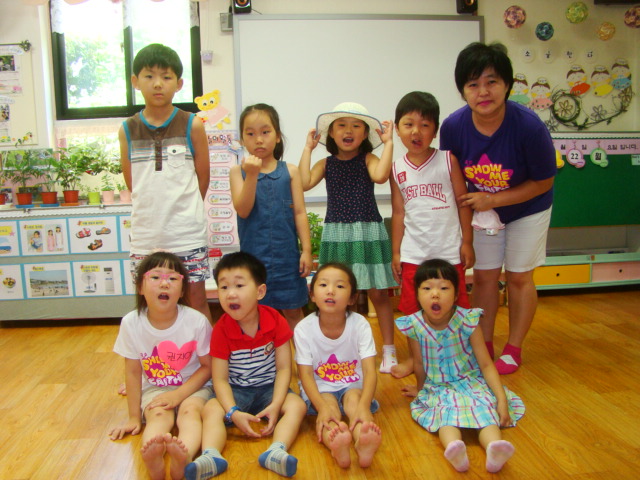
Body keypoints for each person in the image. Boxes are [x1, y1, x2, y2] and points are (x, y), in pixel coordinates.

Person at [440, 42, 556, 374]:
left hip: (528, 208)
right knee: (485, 278)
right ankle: (484, 344)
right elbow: (454, 177)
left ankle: (514, 348)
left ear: (507, 84)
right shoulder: (453, 127)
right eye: (473, 84)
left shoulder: (529, 126)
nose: (483, 92)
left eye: (491, 82)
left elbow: (544, 181)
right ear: (463, 90)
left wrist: (493, 199)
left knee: (519, 277)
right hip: (483, 213)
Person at [396, 259, 525, 473]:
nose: (435, 294)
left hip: (471, 382)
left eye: (444, 288)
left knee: (486, 409)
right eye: (427, 288)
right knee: (444, 416)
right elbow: (418, 363)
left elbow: (486, 364)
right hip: (438, 387)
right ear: (417, 295)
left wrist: (501, 399)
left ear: (456, 294)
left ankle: (494, 448)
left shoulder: (467, 320)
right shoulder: (414, 325)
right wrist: (421, 389)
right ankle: (455, 449)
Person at [186, 251, 306, 479]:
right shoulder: (220, 330)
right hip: (236, 391)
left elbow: (284, 369)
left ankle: (277, 451)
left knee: (297, 406)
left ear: (260, 291)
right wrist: (232, 412)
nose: (231, 294)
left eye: (239, 285)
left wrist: (276, 403)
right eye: (223, 287)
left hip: (269, 388)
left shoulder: (276, 321)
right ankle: (211, 455)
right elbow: (220, 379)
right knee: (211, 409)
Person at [299, 102, 399, 374]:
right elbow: (304, 182)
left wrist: (389, 143)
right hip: (338, 235)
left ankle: (389, 350)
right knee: (339, 295)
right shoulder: (326, 163)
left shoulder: (368, 159)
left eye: (356, 126)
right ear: (331, 133)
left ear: (365, 134)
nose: (348, 131)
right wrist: (308, 148)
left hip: (368, 232)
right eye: (341, 125)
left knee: (379, 293)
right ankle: (344, 351)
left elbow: (381, 176)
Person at [119, 43, 212, 324]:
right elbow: (133, 182)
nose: (158, 83)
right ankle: (159, 352)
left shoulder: (192, 124)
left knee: (196, 300)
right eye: (149, 76)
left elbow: (202, 178)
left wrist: (185, 212)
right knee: (152, 303)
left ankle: (204, 353)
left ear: (179, 83)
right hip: (146, 235)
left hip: (186, 233)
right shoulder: (127, 129)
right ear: (135, 81)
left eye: (166, 76)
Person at [389, 91, 475, 378]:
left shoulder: (448, 160)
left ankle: (459, 361)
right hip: (414, 254)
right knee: (413, 312)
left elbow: (463, 203)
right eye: (408, 124)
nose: (416, 132)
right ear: (397, 129)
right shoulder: (396, 168)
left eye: (425, 125)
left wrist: (467, 242)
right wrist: (397, 252)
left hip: (449, 252)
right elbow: (398, 212)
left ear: (435, 131)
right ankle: (417, 362)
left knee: (456, 309)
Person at [108, 251, 213, 480]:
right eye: (155, 277)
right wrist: (134, 417)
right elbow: (133, 372)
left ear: (182, 290)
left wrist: (178, 395)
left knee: (190, 413)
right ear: (140, 287)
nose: (164, 283)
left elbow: (208, 367)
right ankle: (153, 459)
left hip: (193, 386)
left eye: (173, 278)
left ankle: (183, 457)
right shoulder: (131, 323)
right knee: (157, 415)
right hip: (156, 388)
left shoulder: (197, 321)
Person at [230, 103, 312, 329]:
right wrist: (252, 175)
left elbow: (299, 212)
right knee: (255, 315)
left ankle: (301, 353)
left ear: (277, 136)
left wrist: (306, 250)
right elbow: (243, 209)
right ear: (242, 139)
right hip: (253, 260)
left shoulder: (291, 171)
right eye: (250, 133)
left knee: (293, 312)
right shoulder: (237, 172)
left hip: (288, 259)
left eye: (265, 132)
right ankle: (264, 353)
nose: (258, 139)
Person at [294, 263, 382, 469]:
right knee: (329, 411)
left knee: (354, 403)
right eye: (323, 285)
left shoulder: (360, 324)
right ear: (312, 294)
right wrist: (322, 408)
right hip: (320, 388)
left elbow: (370, 371)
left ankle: (363, 441)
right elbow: (305, 375)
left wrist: (364, 407)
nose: (331, 290)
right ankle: (337, 445)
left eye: (340, 286)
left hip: (353, 385)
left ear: (352, 298)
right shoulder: (303, 329)